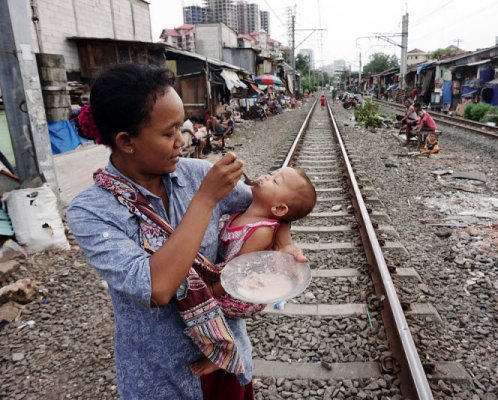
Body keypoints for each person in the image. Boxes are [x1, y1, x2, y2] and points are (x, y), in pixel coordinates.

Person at [66, 63, 305, 400]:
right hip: (162, 375)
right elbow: (157, 288)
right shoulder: (91, 211)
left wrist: (285, 244)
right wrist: (206, 199)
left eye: (181, 127)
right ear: (126, 141)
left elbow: (273, 206)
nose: (182, 141)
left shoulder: (194, 174)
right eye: (168, 133)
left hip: (225, 355)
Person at [188, 166, 316, 378]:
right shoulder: (247, 211)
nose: (267, 176)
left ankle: (224, 354)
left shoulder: (261, 231)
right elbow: (283, 223)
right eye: (273, 174)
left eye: (275, 181)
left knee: (204, 312)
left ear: (279, 209)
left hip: (238, 291)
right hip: (230, 276)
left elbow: (237, 272)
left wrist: (211, 293)